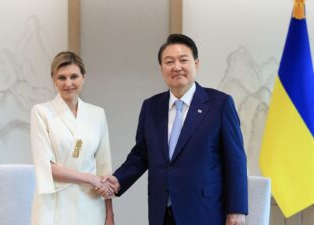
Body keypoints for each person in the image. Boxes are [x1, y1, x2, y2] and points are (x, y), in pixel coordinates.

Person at [102, 34, 248, 225]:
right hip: (162, 212)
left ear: (196, 63)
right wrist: (118, 180)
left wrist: (236, 210)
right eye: (169, 62)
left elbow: (235, 160)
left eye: (183, 60)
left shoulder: (219, 104)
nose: (176, 67)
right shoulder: (151, 107)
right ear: (161, 68)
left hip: (205, 211)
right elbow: (141, 154)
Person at [30, 51, 115, 225]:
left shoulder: (97, 114)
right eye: (62, 78)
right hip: (53, 205)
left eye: (74, 76)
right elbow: (46, 167)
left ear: (84, 77)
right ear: (54, 79)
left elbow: (104, 169)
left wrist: (109, 213)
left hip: (91, 205)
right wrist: (90, 178)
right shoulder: (41, 112)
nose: (68, 83)